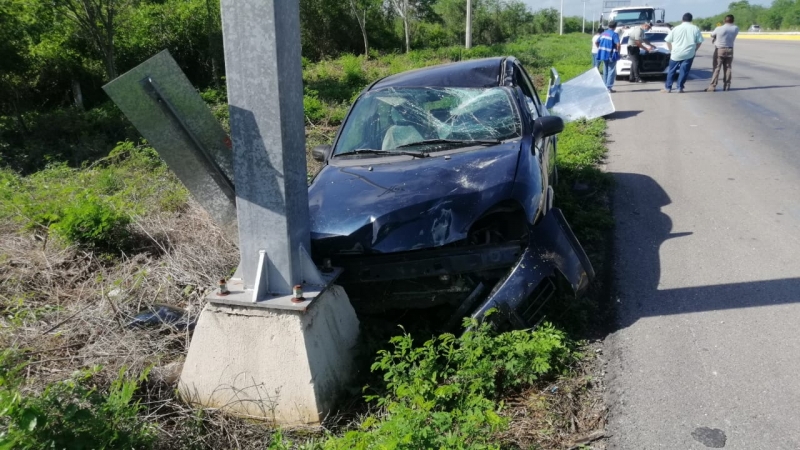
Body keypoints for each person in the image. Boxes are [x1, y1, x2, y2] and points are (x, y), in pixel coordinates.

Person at [662, 13, 703, 93]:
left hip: (676, 53)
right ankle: (679, 88)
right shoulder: (695, 28)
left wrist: (671, 50)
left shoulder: (676, 28)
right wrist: (694, 50)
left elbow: (668, 40)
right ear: (691, 20)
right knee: (684, 71)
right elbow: (699, 42)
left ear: (682, 19)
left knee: (671, 70)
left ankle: (668, 88)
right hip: (688, 54)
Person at [707, 15, 739, 92]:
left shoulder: (719, 28)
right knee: (728, 68)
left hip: (719, 49)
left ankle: (712, 86)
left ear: (724, 21)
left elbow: (712, 35)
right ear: (733, 20)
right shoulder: (735, 28)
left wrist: (716, 38)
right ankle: (727, 85)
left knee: (716, 68)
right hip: (730, 49)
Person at [596, 21, 621, 93]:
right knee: (611, 70)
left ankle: (604, 86)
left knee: (605, 70)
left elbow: (596, 42)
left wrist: (600, 49)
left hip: (603, 54)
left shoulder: (603, 33)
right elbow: (618, 44)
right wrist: (618, 52)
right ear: (615, 26)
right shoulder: (614, 34)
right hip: (611, 54)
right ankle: (609, 87)